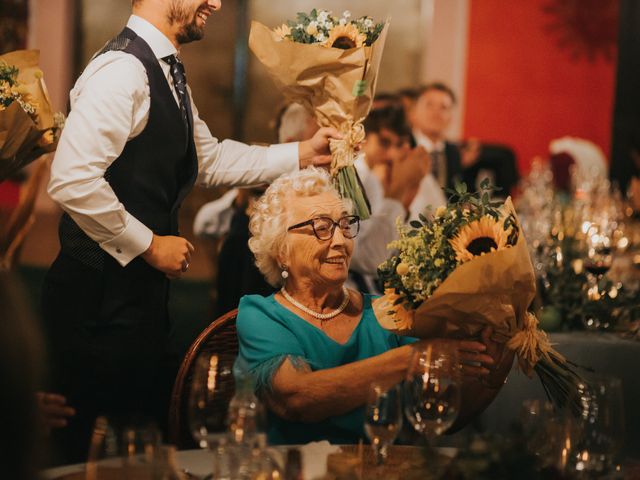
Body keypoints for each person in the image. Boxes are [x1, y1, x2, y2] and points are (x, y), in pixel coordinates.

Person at [42, 0, 339, 463]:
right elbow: (71, 180)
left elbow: (211, 159)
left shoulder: (164, 70)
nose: (216, 3)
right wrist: (149, 245)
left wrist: (302, 152)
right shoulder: (122, 71)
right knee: (90, 456)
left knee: (132, 452)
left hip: (133, 303)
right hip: (94, 308)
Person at [236, 167, 513, 444]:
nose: (341, 241)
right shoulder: (261, 315)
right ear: (281, 251)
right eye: (322, 228)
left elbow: (435, 412)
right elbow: (297, 398)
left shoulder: (388, 312)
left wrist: (495, 370)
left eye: (345, 226)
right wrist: (411, 359)